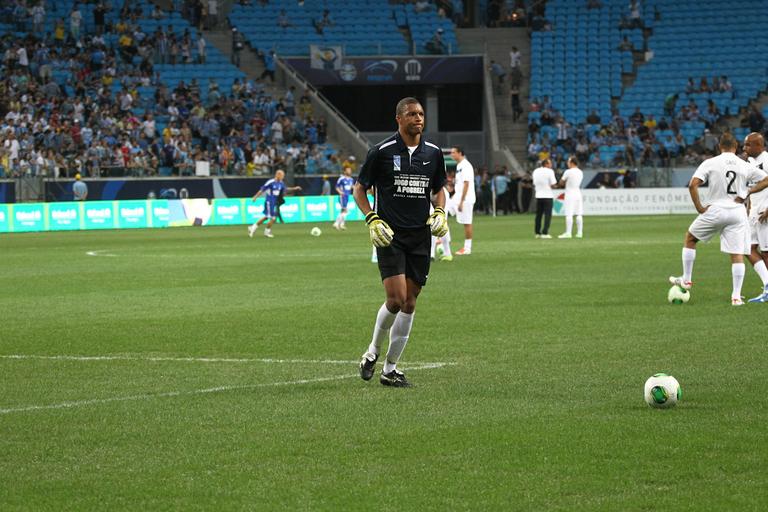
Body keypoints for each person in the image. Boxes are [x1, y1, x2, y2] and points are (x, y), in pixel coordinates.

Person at [353, 97, 448, 388]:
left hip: (420, 237)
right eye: (412, 114)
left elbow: (439, 188)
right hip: (390, 236)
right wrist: (371, 218)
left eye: (421, 114)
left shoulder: (433, 153)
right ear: (399, 119)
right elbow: (360, 189)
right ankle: (372, 352)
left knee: (410, 302)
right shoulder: (380, 152)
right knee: (395, 299)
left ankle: (390, 369)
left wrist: (441, 211)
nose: (418, 118)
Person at [669, 133, 768, 306]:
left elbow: (693, 184)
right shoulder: (743, 164)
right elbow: (766, 179)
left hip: (715, 210)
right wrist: (746, 193)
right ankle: (736, 297)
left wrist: (699, 207)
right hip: (737, 212)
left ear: (719, 147)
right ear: (736, 146)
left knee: (690, 239)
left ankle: (686, 279)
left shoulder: (710, 162)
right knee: (737, 254)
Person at [742, 133, 768, 302]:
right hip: (753, 213)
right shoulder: (749, 163)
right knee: (747, 248)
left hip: (765, 212)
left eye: (747, 145)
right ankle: (767, 284)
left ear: (758, 145)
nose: (744, 148)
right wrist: (747, 209)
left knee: (766, 252)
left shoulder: (767, 160)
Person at [247, 169, 301, 238]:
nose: (283, 177)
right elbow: (262, 190)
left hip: (274, 202)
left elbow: (285, 189)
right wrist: (255, 197)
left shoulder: (281, 183)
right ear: (278, 175)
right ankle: (263, 230)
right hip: (269, 201)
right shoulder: (271, 182)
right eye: (282, 175)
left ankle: (254, 228)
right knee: (273, 217)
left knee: (267, 217)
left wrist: (294, 188)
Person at [451, 146, 475, 255]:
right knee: (442, 211)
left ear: (460, 153)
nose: (451, 154)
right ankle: (441, 239)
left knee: (467, 222)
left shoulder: (466, 165)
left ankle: (467, 248)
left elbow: (466, 183)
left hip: (465, 198)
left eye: (453, 152)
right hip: (458, 196)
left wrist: (461, 201)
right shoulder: (459, 165)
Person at [556, 156, 584, 238]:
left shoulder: (568, 172)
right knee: (579, 213)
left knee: (569, 213)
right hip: (578, 193)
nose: (567, 163)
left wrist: (562, 182)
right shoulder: (580, 172)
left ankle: (568, 232)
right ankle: (580, 233)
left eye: (568, 162)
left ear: (572, 163)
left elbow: (561, 182)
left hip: (570, 193)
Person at [532, 159, 556, 238]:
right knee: (547, 215)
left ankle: (537, 232)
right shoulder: (550, 171)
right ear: (546, 164)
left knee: (538, 215)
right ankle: (545, 232)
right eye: (550, 163)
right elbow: (553, 184)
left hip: (538, 195)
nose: (551, 165)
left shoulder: (535, 171)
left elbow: (534, 183)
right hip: (548, 195)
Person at [333, 166, 355, 230]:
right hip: (342, 196)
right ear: (345, 171)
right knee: (344, 210)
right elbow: (337, 187)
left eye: (350, 170)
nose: (349, 171)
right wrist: (340, 192)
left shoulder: (351, 179)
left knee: (344, 211)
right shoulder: (341, 178)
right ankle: (337, 223)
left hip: (347, 196)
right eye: (348, 170)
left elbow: (352, 186)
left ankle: (341, 224)